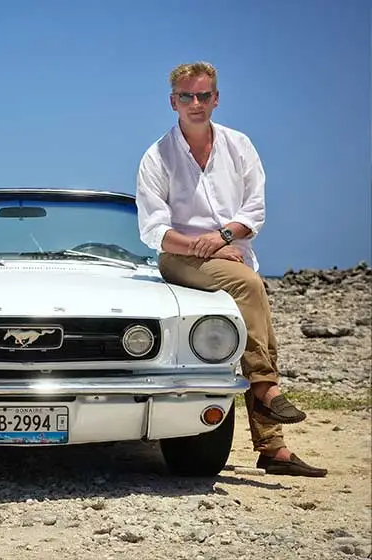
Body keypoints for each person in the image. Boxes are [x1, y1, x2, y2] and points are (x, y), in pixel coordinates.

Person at [135, 62, 327, 477]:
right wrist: (206, 248)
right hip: (181, 258)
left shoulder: (239, 146)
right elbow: (153, 229)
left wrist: (222, 239)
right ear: (173, 102)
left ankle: (272, 449)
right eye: (186, 96)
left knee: (258, 325)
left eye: (204, 95)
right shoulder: (157, 157)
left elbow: (254, 209)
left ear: (216, 98)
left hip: (231, 255)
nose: (196, 104)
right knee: (249, 286)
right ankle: (266, 387)